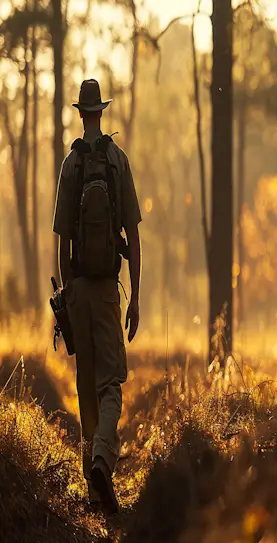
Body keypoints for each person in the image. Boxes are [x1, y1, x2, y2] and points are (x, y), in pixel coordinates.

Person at [53, 79, 142, 514]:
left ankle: (92, 483)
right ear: (101, 113)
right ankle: (104, 460)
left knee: (87, 387)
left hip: (78, 292)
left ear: (80, 113)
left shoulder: (70, 165)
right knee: (112, 386)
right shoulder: (117, 161)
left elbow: (60, 239)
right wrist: (137, 296)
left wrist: (65, 298)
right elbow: (135, 234)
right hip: (108, 291)